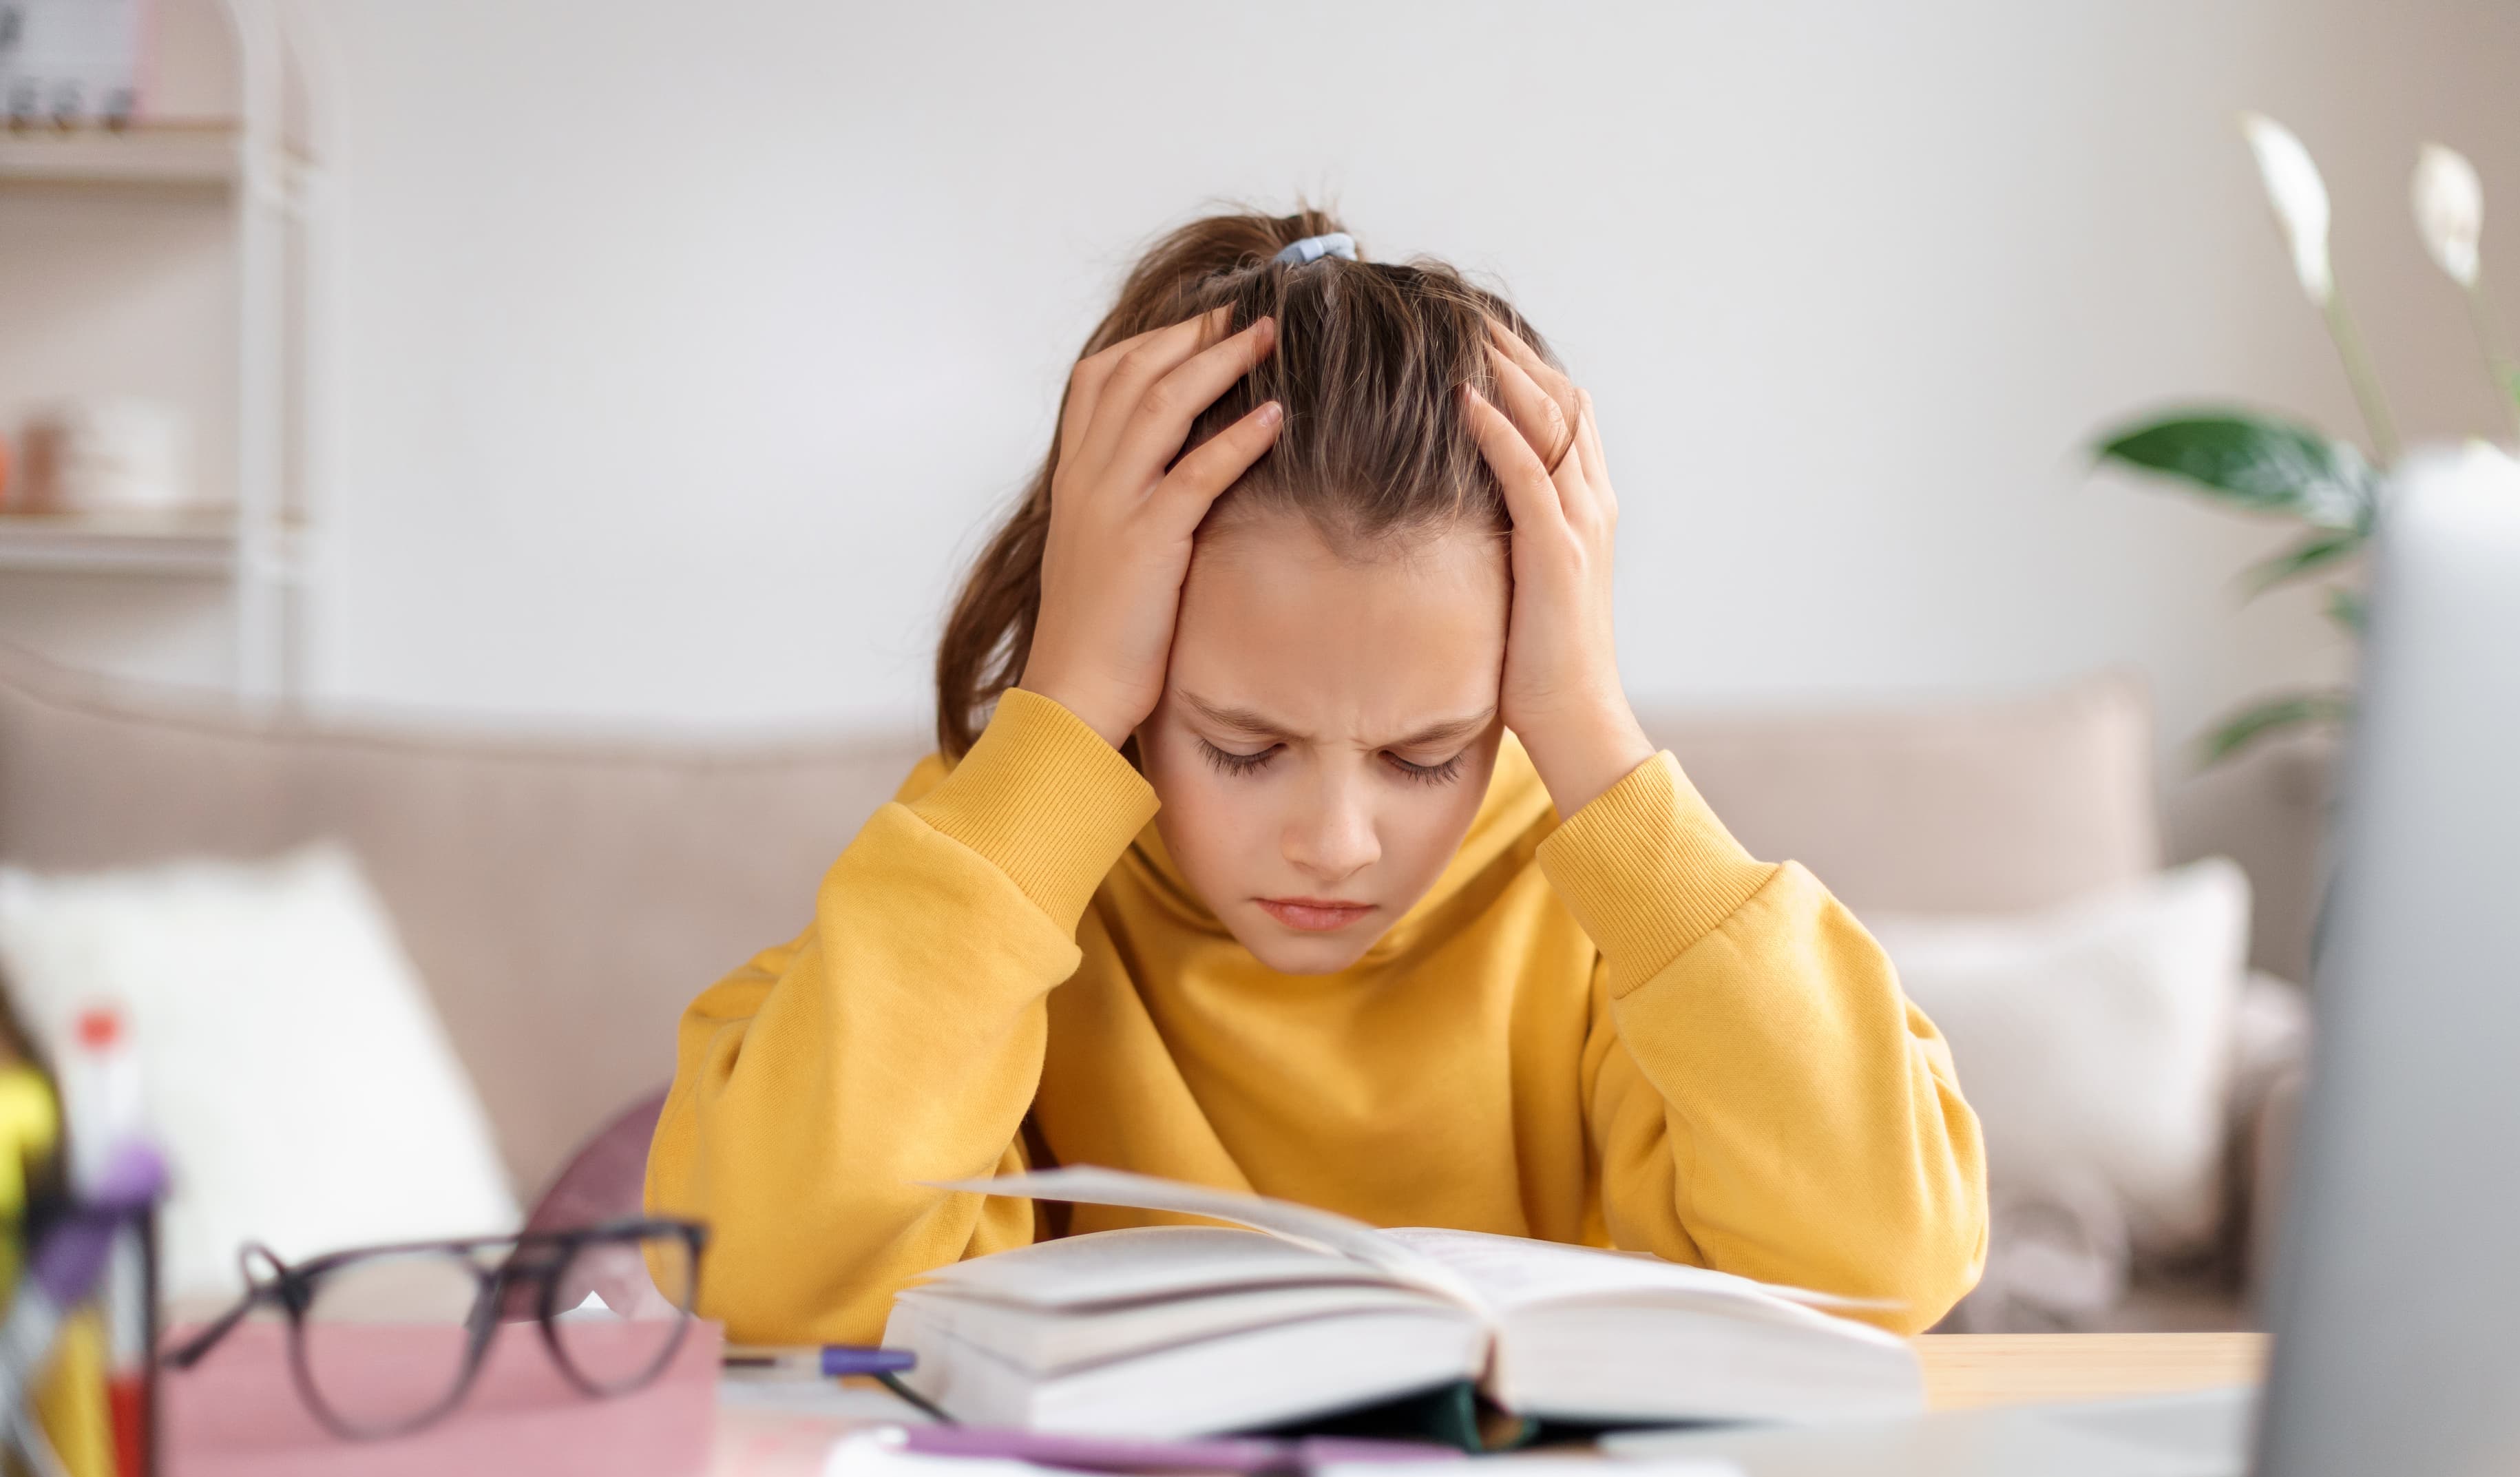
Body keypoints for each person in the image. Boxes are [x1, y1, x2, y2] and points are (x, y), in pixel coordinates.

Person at [648, 209, 1986, 1346]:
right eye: (1244, 746)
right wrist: (1052, 724)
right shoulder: (1002, 878)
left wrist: (1591, 730)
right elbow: (767, 1278)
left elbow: (1888, 1258)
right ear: (1125, 685)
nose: (1338, 841)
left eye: (1426, 754)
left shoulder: (1599, 915)